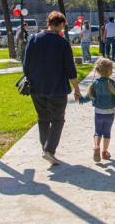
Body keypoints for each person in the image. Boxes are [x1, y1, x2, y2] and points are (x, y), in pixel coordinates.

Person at [23, 11, 81, 165]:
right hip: (57, 88)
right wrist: (76, 88)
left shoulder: (33, 39)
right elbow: (70, 69)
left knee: (43, 119)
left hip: (37, 88)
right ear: (61, 24)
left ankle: (45, 149)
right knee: (57, 120)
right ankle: (49, 150)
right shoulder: (62, 43)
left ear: (49, 23)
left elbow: (26, 65)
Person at [82, 57, 115, 162]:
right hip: (110, 114)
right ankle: (104, 152)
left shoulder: (95, 84)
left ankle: (96, 146)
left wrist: (80, 99)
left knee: (97, 132)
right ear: (110, 71)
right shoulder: (113, 84)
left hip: (98, 113)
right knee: (107, 133)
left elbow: (88, 97)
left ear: (97, 70)